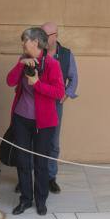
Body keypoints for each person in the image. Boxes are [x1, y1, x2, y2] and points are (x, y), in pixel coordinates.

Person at [6, 27, 65, 216]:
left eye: (25, 40)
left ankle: (41, 201)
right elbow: (10, 81)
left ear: (36, 43)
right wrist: (21, 64)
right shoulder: (22, 61)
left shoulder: (51, 64)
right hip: (21, 119)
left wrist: (37, 84)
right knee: (23, 161)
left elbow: (59, 92)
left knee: (40, 163)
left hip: (44, 123)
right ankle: (25, 200)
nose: (23, 44)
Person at [40, 21, 79, 193]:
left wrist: (66, 94)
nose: (41, 39)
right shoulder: (36, 51)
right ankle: (28, 177)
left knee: (53, 142)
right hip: (36, 102)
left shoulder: (66, 54)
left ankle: (50, 177)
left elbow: (74, 77)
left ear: (55, 36)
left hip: (55, 104)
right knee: (33, 141)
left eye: (45, 36)